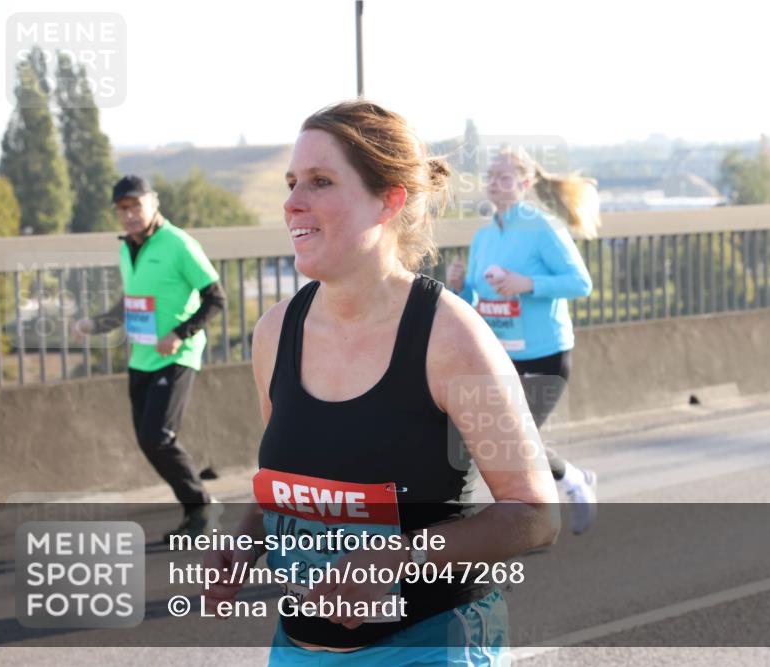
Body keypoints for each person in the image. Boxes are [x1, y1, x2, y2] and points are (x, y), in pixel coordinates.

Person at [203, 101, 559, 665]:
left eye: (321, 181)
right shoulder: (275, 332)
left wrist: (397, 559)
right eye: (292, 183)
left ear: (389, 200)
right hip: (298, 649)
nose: (293, 202)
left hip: (431, 645)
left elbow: (535, 513)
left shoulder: (452, 337)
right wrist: (245, 542)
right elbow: (289, 483)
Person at [446, 147, 600, 534]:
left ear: (525, 183)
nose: (495, 183)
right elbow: (476, 300)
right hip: (501, 354)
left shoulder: (543, 227)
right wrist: (460, 287)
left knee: (518, 442)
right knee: (502, 441)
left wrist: (527, 283)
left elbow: (580, 283)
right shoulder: (483, 237)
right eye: (491, 176)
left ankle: (568, 488)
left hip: (546, 352)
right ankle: (566, 485)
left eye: (504, 177)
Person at [74, 175, 226, 543]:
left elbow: (216, 298)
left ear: (153, 202)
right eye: (122, 208)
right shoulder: (127, 248)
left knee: (158, 436)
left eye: (135, 206)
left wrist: (179, 334)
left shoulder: (178, 244)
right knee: (148, 440)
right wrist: (97, 323)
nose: (129, 214)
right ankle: (196, 508)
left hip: (177, 356)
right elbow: (132, 303)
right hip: (141, 358)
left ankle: (202, 508)